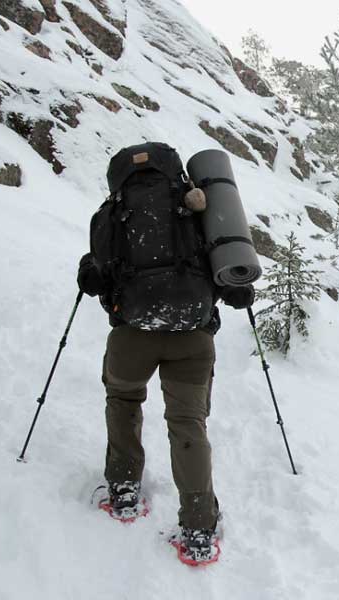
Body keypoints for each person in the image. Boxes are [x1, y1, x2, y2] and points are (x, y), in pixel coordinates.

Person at [76, 142, 254, 562]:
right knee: (188, 423)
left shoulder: (111, 214)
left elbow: (98, 275)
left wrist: (89, 275)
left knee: (122, 400)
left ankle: (122, 492)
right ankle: (197, 529)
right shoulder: (198, 209)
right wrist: (237, 291)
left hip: (132, 334)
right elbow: (228, 271)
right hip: (192, 337)